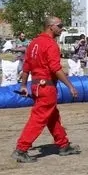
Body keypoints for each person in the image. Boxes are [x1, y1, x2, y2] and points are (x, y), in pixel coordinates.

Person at [12, 16, 81, 163]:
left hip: (36, 85)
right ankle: (21, 149)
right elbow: (55, 68)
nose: (62, 28)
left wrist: (24, 85)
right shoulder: (50, 44)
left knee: (52, 117)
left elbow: (26, 67)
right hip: (47, 87)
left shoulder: (33, 44)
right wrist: (70, 86)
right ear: (51, 27)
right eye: (60, 26)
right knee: (38, 118)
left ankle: (63, 144)